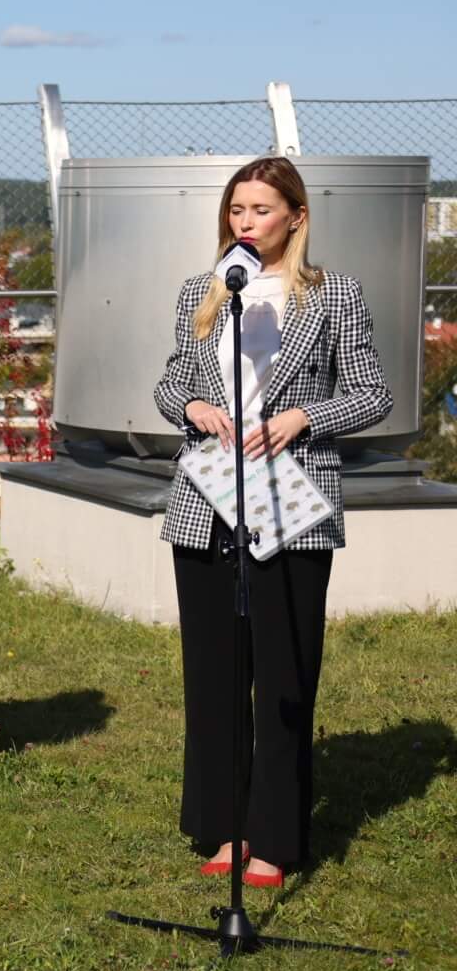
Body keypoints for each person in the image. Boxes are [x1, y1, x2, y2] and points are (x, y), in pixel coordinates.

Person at [153, 156, 390, 888]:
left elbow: (373, 393)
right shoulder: (204, 291)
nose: (246, 222)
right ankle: (224, 827)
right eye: (236, 210)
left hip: (291, 503)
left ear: (296, 216)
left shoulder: (334, 294)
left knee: (285, 675)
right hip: (207, 501)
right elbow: (170, 382)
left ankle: (276, 837)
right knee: (215, 676)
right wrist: (191, 406)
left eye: (261, 209)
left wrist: (304, 417)